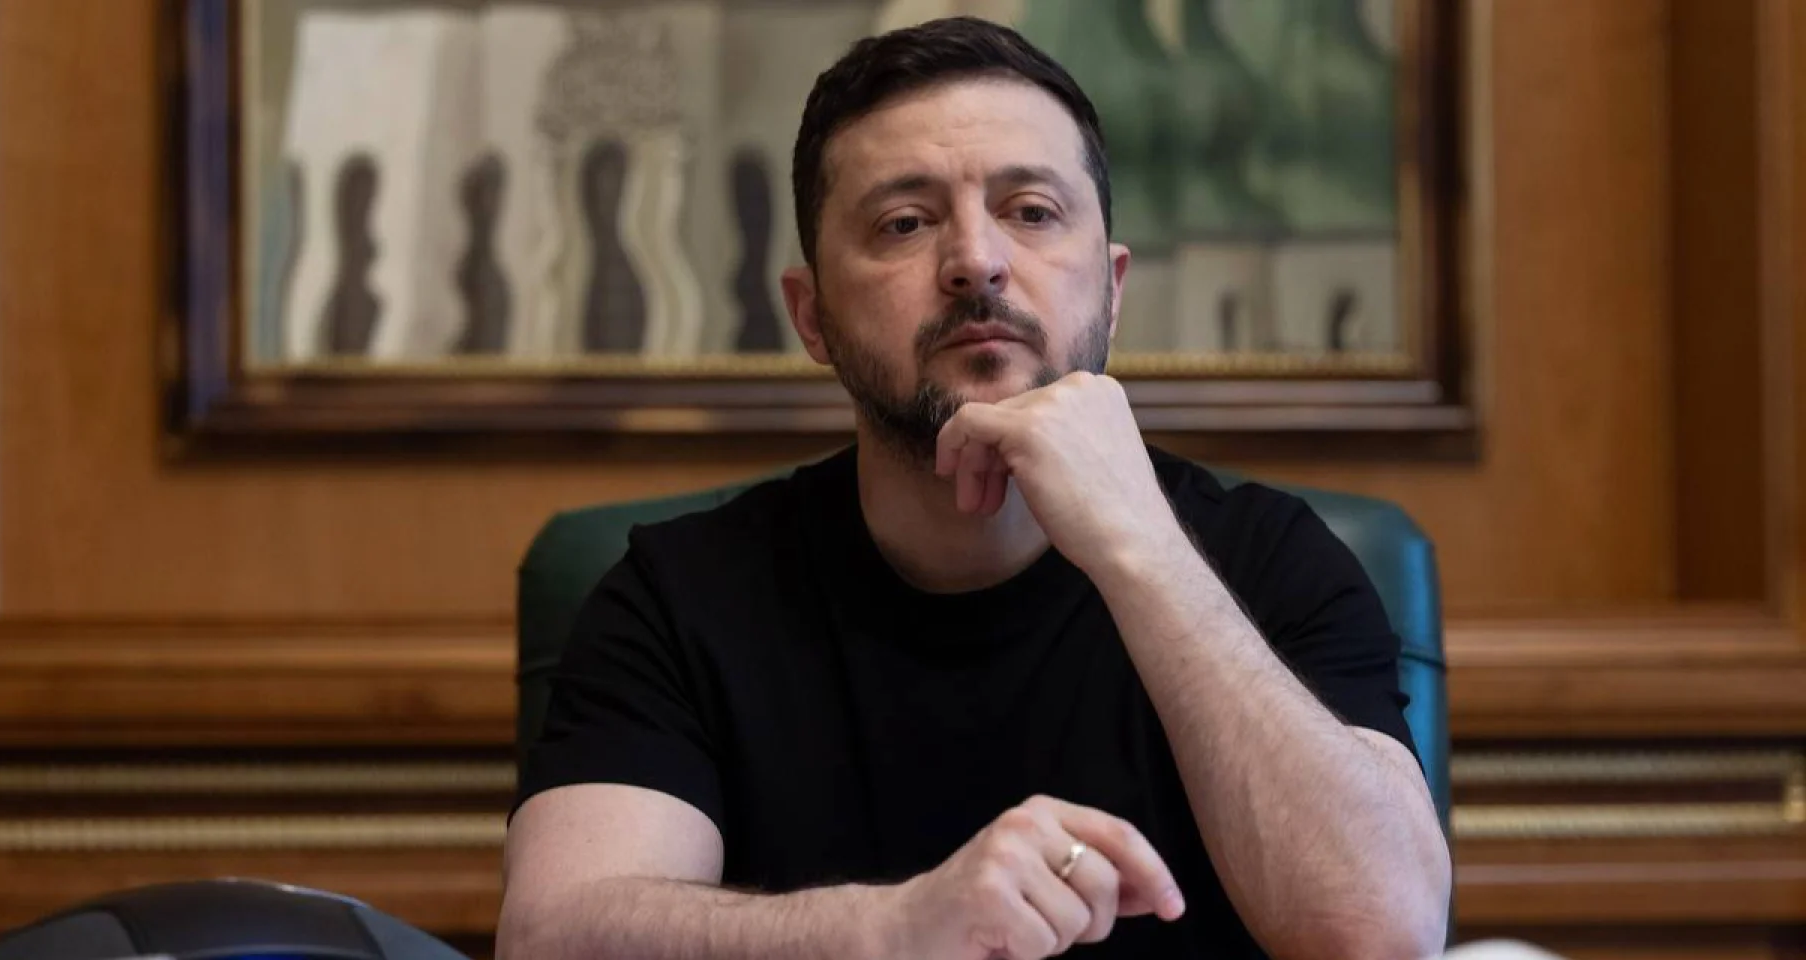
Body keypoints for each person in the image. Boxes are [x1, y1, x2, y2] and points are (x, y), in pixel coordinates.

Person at [499, 16, 1450, 960]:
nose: (976, 261)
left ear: (1113, 288)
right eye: (904, 223)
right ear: (812, 316)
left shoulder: (1271, 558)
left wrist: (1144, 551)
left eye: (1031, 212)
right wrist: (895, 929)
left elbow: (1386, 930)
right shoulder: (679, 596)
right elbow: (551, 939)